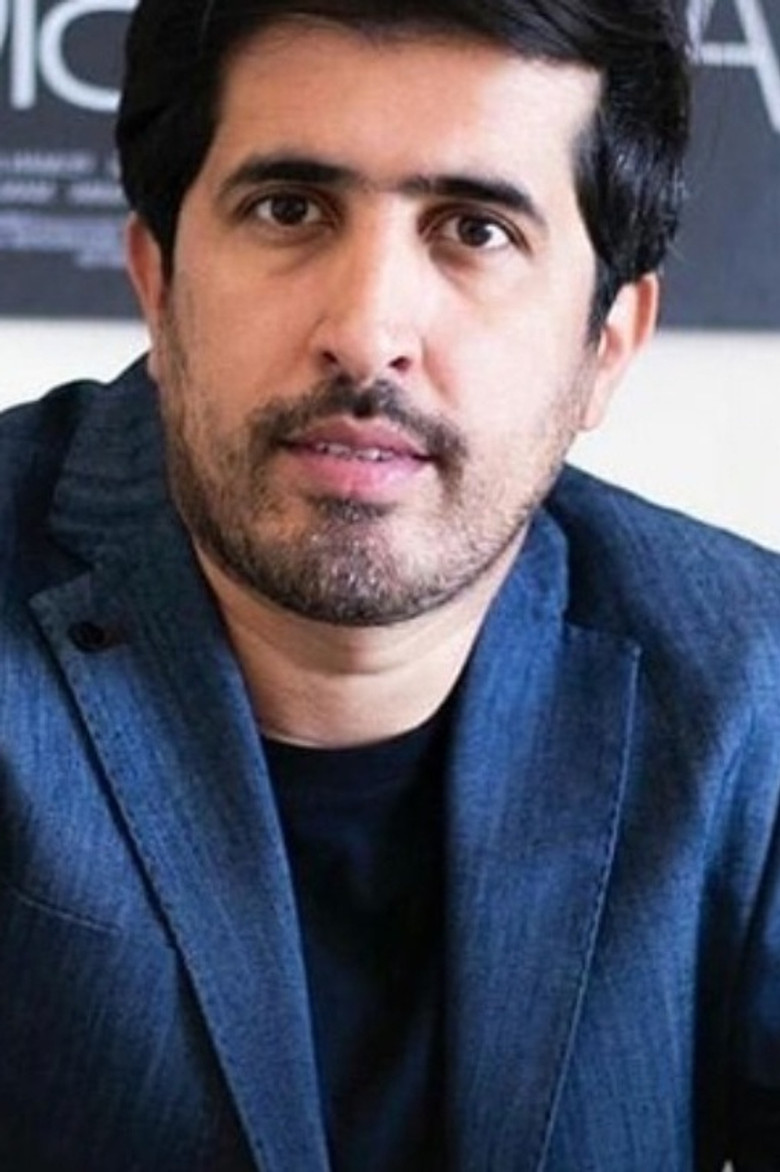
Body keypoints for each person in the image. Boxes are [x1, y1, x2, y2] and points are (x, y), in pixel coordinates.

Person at [2, 0, 780, 1167]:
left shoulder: (749, 686)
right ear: (158, 283)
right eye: (289, 209)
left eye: (475, 230)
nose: (367, 334)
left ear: (606, 346)